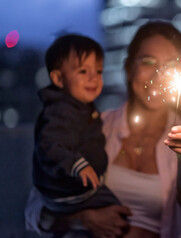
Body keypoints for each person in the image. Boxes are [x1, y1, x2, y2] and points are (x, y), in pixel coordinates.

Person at [26, 21, 181, 238]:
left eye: (170, 66)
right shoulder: (93, 126)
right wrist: (83, 218)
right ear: (129, 69)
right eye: (148, 62)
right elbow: (34, 211)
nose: (158, 76)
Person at [33, 34, 120, 216]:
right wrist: (77, 165)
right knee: (119, 217)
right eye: (83, 71)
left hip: (76, 190)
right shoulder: (61, 111)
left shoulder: (81, 108)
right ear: (58, 79)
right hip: (69, 192)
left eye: (98, 71)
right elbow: (49, 146)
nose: (93, 78)